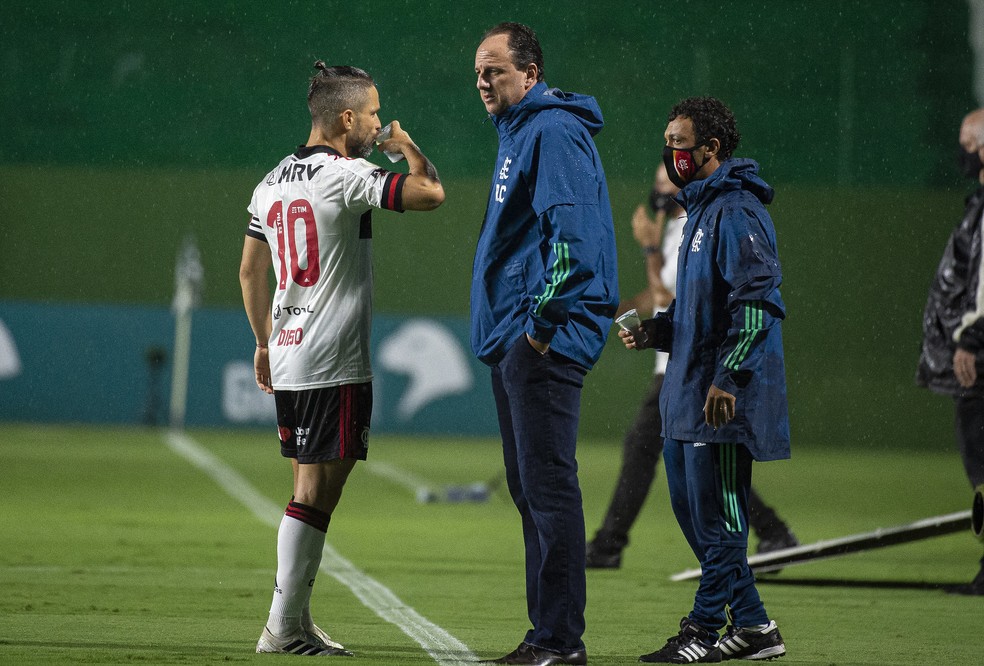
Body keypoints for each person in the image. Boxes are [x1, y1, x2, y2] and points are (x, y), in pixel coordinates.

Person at [239, 61, 445, 656]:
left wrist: (262, 342)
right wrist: (407, 147)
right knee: (315, 493)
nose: (380, 122)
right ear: (347, 118)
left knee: (311, 488)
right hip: (334, 359)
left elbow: (251, 271)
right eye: (375, 113)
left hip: (290, 351)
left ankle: (294, 622)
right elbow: (430, 192)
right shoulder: (347, 174)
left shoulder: (271, 180)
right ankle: (282, 624)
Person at [620, 97, 789, 663]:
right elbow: (698, 312)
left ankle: (699, 631)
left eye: (681, 143)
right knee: (698, 520)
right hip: (685, 395)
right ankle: (756, 628)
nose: (671, 153)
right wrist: (654, 332)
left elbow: (758, 302)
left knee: (719, 525)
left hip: (717, 400)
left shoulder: (736, 211)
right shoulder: (698, 213)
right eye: (668, 141)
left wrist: (729, 379)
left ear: (711, 149)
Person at [470, 22, 619, 666]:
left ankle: (561, 640)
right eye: (478, 73)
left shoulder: (552, 131)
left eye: (495, 70)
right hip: (519, 338)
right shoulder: (521, 133)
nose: (483, 82)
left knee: (549, 487)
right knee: (531, 489)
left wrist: (539, 328)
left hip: (541, 341)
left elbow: (573, 241)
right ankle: (545, 635)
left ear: (530, 73)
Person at [586, 166, 797, 570]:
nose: (661, 188)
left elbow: (678, 295)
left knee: (655, 450)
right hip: (674, 362)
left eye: (669, 180)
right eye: (657, 181)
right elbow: (658, 299)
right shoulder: (676, 228)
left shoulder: (701, 224)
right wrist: (608, 308)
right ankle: (770, 533)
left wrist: (648, 251)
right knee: (694, 460)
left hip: (695, 365)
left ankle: (610, 544)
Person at [917, 107, 984, 596]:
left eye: (969, 140)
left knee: (981, 461)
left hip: (979, 356)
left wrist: (971, 339)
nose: (963, 149)